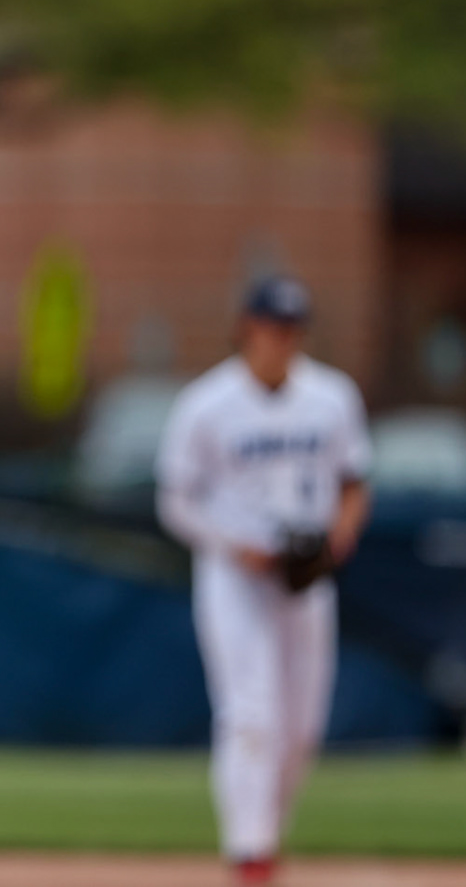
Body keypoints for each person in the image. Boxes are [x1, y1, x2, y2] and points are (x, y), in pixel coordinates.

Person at [155, 276, 372, 886]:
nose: (284, 339)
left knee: (302, 728)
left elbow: (354, 483)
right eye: (275, 326)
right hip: (235, 575)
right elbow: (175, 500)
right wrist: (231, 544)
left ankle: (265, 839)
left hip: (307, 575)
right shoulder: (206, 403)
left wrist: (341, 535)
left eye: (293, 328)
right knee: (251, 714)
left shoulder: (332, 396)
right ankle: (249, 855)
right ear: (247, 327)